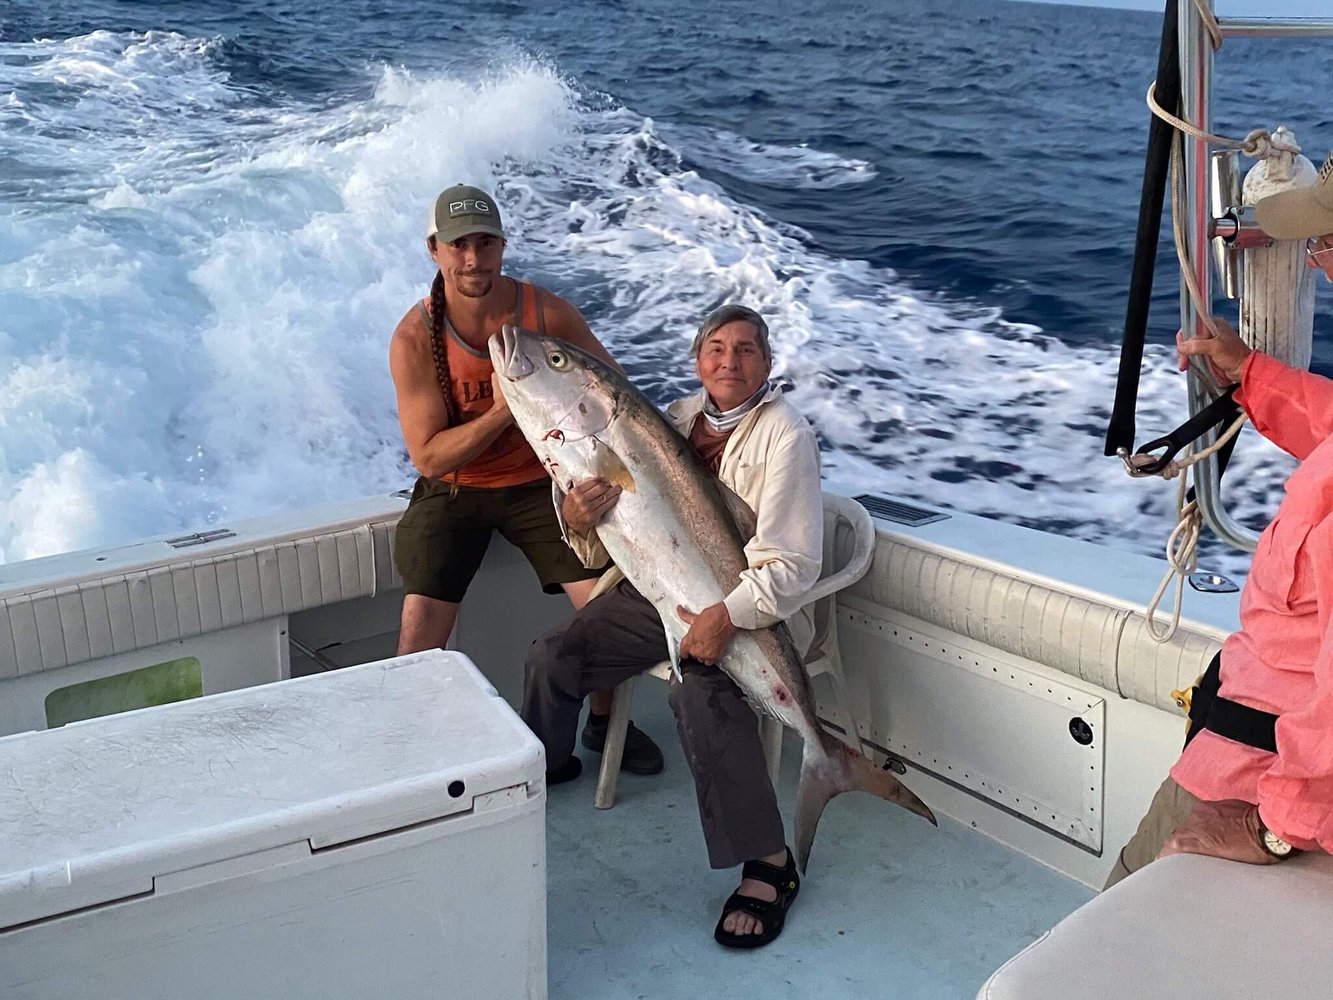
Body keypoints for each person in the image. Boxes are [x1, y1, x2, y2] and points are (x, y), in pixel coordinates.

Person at [520, 303, 824, 948]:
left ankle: (770, 862)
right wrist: (576, 516)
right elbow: (624, 537)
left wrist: (727, 615)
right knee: (554, 655)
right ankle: (545, 769)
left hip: (744, 607)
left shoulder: (785, 435)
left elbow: (794, 565)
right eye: (716, 348)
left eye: (746, 350)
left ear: (766, 364)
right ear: (696, 361)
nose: (729, 361)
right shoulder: (674, 420)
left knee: (698, 693)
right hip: (653, 593)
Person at [1104, 156, 1333, 887]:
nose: (1320, 265)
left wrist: (1274, 826)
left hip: (1262, 782)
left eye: (1325, 243)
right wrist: (1253, 377)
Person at [389, 183, 662, 775]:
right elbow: (430, 458)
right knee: (415, 638)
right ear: (434, 250)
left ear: (502, 247)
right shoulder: (414, 339)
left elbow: (616, 395)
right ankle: (413, 757)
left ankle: (604, 720)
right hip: (456, 490)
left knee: (607, 608)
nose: (473, 260)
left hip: (544, 485)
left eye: (485, 244)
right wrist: (502, 411)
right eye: (459, 245)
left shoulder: (546, 314)